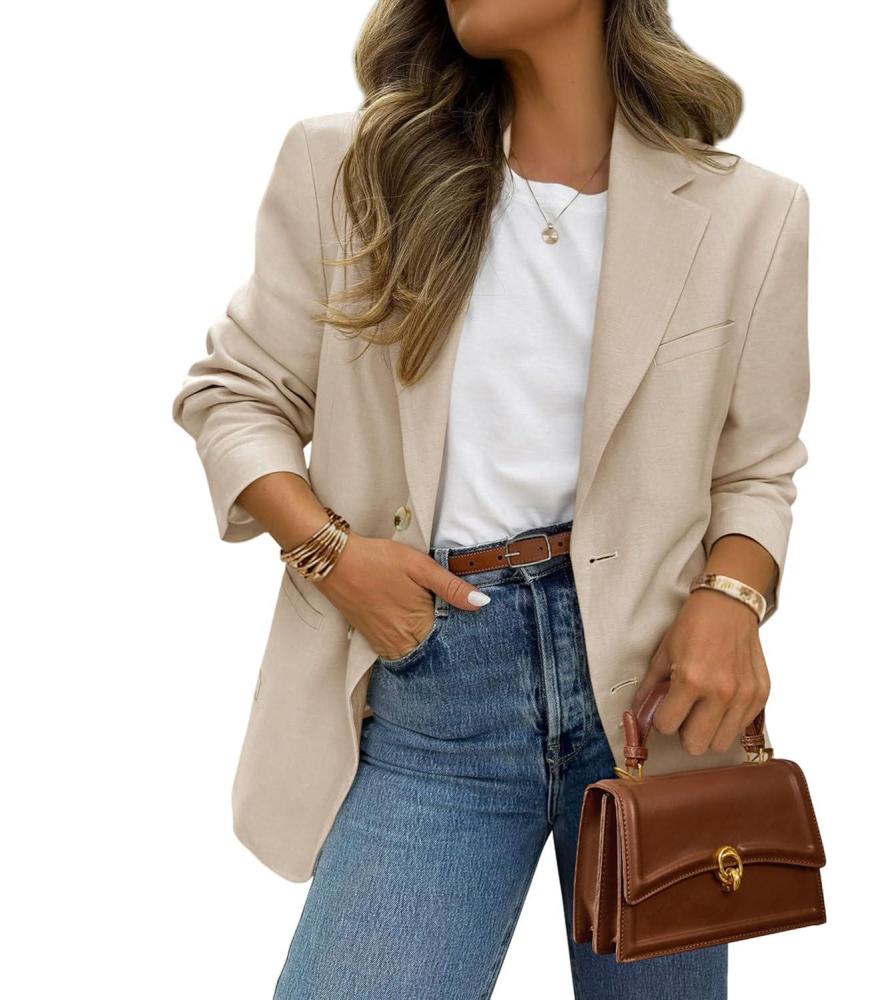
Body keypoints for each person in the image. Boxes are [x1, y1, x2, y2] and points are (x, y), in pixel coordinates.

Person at [171, 1, 810, 997]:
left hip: (654, 707)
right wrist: (332, 556)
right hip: (434, 685)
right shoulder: (348, 170)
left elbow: (757, 469)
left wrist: (731, 599)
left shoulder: (749, 213)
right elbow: (235, 394)